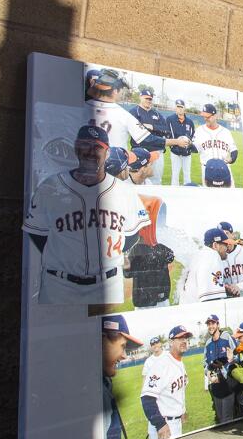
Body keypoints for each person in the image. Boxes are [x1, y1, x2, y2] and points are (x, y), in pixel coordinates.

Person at [24, 125, 150, 305]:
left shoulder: (125, 192)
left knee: (106, 332)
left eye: (98, 147)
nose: (91, 152)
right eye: (85, 145)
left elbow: (131, 235)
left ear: (106, 153)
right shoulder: (50, 187)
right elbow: (37, 234)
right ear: (76, 148)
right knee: (55, 332)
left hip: (107, 285)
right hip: (59, 284)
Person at [86, 69, 188, 152]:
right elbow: (148, 140)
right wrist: (177, 142)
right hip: (113, 169)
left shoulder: (79, 108)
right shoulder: (123, 115)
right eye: (122, 90)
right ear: (115, 91)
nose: (122, 93)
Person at [141, 325, 191, 439]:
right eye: (180, 338)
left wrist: (182, 410)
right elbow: (147, 399)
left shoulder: (179, 362)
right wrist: (160, 424)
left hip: (175, 422)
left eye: (186, 338)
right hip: (164, 425)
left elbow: (179, 391)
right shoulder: (161, 365)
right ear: (170, 342)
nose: (184, 341)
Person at [180, 227, 243, 302]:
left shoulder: (201, 255)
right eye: (225, 244)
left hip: (189, 307)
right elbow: (212, 301)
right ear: (215, 245)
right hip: (197, 310)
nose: (227, 247)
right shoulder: (212, 257)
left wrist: (223, 289)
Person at [101, 314, 141, 439]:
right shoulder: (92, 393)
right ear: (102, 340)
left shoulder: (103, 382)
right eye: (123, 346)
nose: (124, 356)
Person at [129, 88, 172, 185]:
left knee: (156, 180)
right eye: (146, 98)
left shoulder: (156, 113)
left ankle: (155, 199)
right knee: (138, 179)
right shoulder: (134, 112)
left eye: (150, 99)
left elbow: (166, 130)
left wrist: (152, 127)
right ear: (140, 97)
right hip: (139, 151)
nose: (148, 101)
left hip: (156, 151)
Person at [202, 315, 237, 425]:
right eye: (208, 324)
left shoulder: (226, 337)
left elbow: (236, 356)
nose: (210, 326)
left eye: (213, 323)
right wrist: (208, 373)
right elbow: (205, 363)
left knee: (227, 419)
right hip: (215, 387)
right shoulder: (208, 344)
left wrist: (231, 361)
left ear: (218, 324)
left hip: (228, 384)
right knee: (220, 419)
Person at [123, 237, 175, 308]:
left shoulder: (160, 247)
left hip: (161, 300)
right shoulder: (136, 249)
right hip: (143, 301)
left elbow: (171, 257)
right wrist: (127, 266)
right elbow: (128, 274)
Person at [193, 103, 238, 186]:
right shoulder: (199, 131)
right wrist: (187, 144)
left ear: (215, 116)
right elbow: (194, 149)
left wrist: (232, 159)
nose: (205, 119)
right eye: (204, 116)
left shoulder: (226, 132)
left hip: (224, 169)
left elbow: (234, 150)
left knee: (230, 195)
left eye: (208, 117)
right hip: (207, 170)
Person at [166, 99, 196, 185]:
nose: (179, 109)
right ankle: (174, 194)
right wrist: (174, 145)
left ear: (184, 108)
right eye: (178, 107)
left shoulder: (190, 122)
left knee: (187, 175)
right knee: (175, 175)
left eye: (181, 107)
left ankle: (188, 193)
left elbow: (193, 135)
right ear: (175, 108)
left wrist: (189, 143)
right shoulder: (170, 119)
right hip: (175, 152)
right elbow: (168, 134)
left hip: (187, 153)